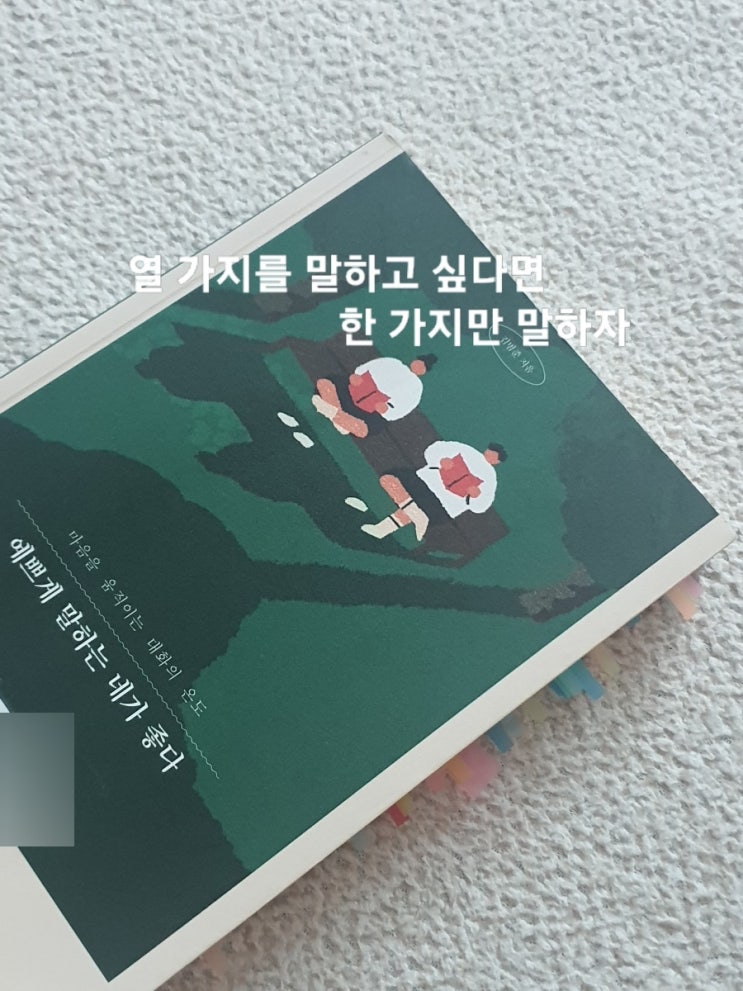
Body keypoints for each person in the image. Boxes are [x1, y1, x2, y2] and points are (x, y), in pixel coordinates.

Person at [361, 441, 507, 541]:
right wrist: (441, 460)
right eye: (491, 451)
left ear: (497, 462)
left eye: (495, 456)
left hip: (441, 504)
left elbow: (481, 506)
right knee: (388, 480)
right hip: (422, 481)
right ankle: (416, 517)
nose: (490, 455)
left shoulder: (490, 479)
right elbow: (433, 450)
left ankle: (381, 530)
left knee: (415, 509)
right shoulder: (465, 450)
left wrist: (476, 495)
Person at [312, 353, 438, 438]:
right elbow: (365, 368)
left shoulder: (416, 388)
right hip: (351, 391)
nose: (419, 366)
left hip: (368, 410)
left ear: (424, 371)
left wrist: (386, 410)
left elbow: (402, 409)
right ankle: (340, 418)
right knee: (325, 383)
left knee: (364, 429)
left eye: (423, 366)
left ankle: (333, 413)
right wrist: (357, 377)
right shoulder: (392, 363)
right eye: (420, 362)